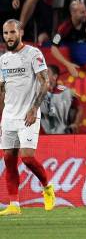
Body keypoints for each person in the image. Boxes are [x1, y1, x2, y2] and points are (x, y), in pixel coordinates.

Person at [0, 19, 56, 215]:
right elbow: (1, 90)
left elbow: (45, 82)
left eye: (12, 32)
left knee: (27, 158)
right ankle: (14, 205)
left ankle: (47, 187)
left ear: (20, 32)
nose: (9, 37)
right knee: (8, 159)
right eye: (6, 33)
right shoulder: (3, 60)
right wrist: (1, 117)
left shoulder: (33, 54)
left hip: (28, 114)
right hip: (9, 116)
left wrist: (34, 108)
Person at [51, 1, 86, 77]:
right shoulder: (63, 28)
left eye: (85, 11)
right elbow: (53, 48)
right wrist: (68, 65)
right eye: (82, 12)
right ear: (73, 13)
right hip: (69, 56)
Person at [40, 64, 83, 134]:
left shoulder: (66, 92)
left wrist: (76, 124)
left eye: (47, 72)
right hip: (41, 137)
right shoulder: (36, 92)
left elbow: (80, 109)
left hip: (63, 135)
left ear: (55, 77)